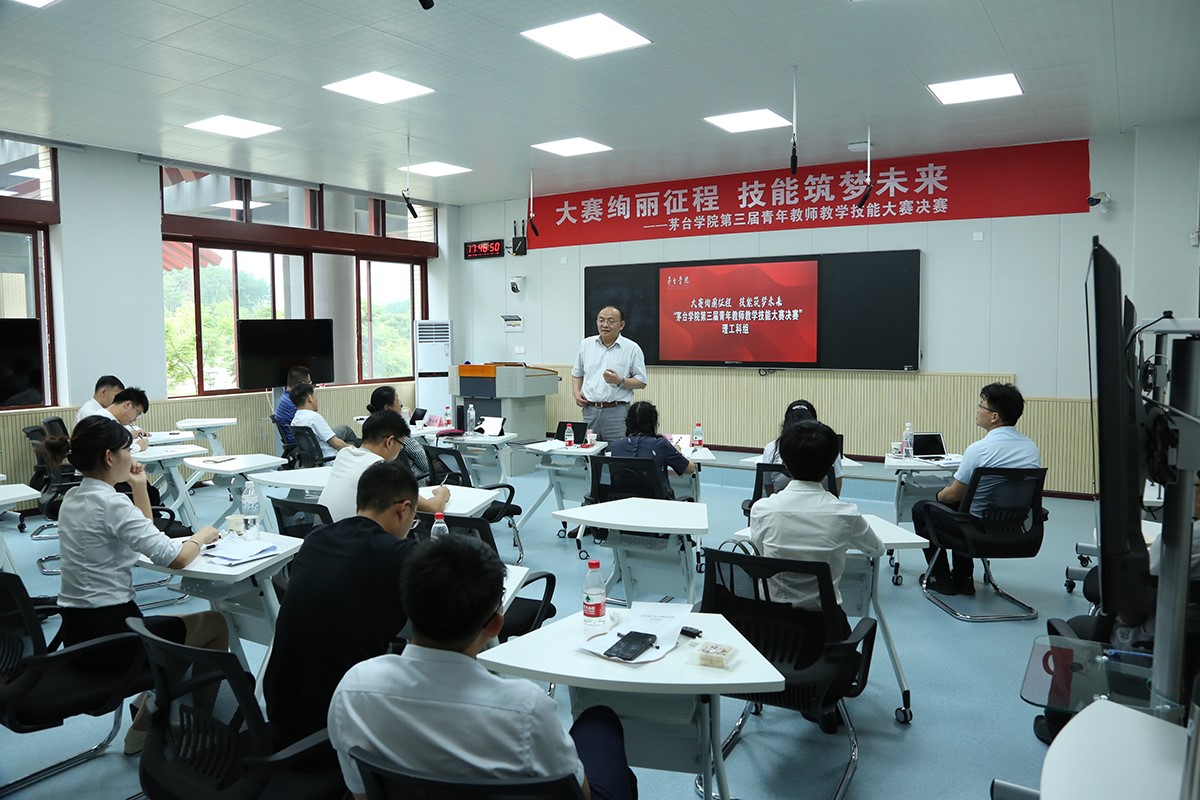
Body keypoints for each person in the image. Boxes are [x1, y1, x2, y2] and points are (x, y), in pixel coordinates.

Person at [328, 534, 638, 800]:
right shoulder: (525, 708)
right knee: (599, 721)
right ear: (495, 625)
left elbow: (362, 794)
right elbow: (579, 794)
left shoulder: (354, 689)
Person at [48, 416, 226, 754]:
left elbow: (146, 536)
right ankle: (196, 725)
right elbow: (176, 558)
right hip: (115, 637)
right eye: (127, 449)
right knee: (215, 625)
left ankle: (150, 714)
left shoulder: (74, 497)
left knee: (180, 632)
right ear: (109, 457)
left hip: (79, 632)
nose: (132, 455)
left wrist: (139, 487)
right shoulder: (111, 504)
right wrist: (201, 536)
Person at [265, 460, 423, 748]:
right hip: (340, 727)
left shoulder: (315, 538)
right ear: (404, 509)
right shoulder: (400, 554)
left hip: (280, 710)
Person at [912, 382, 1041, 596]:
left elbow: (953, 494)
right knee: (963, 508)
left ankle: (940, 578)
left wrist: (937, 496)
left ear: (994, 417)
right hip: (1014, 527)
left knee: (923, 509)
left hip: (978, 529)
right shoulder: (1030, 448)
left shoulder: (979, 450)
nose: (977, 410)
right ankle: (964, 579)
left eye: (981, 405)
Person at [750, 420, 882, 614]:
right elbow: (876, 550)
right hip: (824, 623)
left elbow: (760, 552)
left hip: (769, 622)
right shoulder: (846, 514)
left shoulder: (762, 509)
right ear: (830, 465)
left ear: (784, 463)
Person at [317, 410, 448, 521]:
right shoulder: (381, 470)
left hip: (322, 534)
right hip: (351, 540)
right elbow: (434, 508)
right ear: (389, 442)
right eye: (401, 445)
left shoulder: (344, 454)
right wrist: (442, 493)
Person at [571, 305, 647, 444]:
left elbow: (641, 382)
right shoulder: (586, 345)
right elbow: (577, 373)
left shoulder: (632, 348)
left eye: (611, 321)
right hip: (590, 410)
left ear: (621, 325)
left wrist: (619, 381)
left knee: (617, 453)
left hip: (617, 412)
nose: (605, 325)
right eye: (601, 320)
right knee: (589, 452)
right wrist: (576, 393)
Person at [607, 401, 694, 498]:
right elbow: (690, 469)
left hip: (625, 502)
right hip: (657, 502)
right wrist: (677, 451)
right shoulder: (661, 445)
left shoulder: (616, 446)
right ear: (653, 422)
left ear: (628, 422)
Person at [763, 399, 843, 495]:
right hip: (822, 502)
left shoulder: (771, 448)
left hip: (781, 502)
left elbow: (767, 486)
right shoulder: (828, 445)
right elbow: (836, 485)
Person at [366, 385, 431, 485]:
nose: (401, 405)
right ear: (388, 407)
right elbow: (426, 465)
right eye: (398, 401)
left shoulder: (371, 428)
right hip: (415, 483)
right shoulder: (397, 431)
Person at [289, 382, 361, 459]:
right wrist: (355, 450)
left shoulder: (295, 420)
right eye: (314, 396)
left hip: (315, 459)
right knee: (355, 444)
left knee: (351, 441)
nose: (316, 399)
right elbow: (336, 444)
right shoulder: (314, 418)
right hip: (331, 459)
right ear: (310, 398)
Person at [274, 366, 311, 444]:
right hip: (302, 444)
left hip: (298, 441)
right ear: (303, 385)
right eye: (309, 383)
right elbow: (310, 426)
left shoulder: (286, 398)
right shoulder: (294, 404)